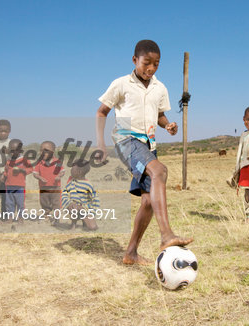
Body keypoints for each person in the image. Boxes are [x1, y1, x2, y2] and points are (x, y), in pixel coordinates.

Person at [96, 39, 193, 265]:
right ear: (134, 60)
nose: (151, 68)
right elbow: (102, 112)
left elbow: (158, 114)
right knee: (159, 171)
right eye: (146, 63)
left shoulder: (160, 88)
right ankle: (167, 234)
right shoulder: (121, 84)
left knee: (148, 201)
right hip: (126, 139)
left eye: (156, 64)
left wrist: (167, 124)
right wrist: (101, 144)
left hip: (148, 144)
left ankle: (131, 253)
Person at [61, 159, 98, 231]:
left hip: (85, 209)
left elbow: (95, 200)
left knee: (93, 228)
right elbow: (64, 195)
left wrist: (91, 212)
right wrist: (69, 203)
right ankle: (73, 224)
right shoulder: (70, 183)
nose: (71, 170)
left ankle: (85, 222)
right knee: (74, 208)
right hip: (73, 207)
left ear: (79, 172)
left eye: (73, 169)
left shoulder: (88, 185)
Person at [2, 139, 32, 226]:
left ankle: (20, 218)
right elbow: (6, 170)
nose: (13, 152)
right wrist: (3, 176)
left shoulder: (24, 159)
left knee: (20, 203)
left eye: (16, 150)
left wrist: (22, 170)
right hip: (9, 185)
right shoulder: (8, 160)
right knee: (9, 203)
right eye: (11, 150)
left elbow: (30, 169)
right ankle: (10, 218)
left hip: (20, 186)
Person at [33, 141, 65, 223]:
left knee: (56, 203)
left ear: (52, 152)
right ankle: (46, 216)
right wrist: (40, 177)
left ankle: (57, 218)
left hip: (55, 187)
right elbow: (35, 174)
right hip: (44, 187)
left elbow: (62, 171)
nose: (43, 152)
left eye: (46, 150)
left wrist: (59, 176)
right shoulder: (39, 163)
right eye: (41, 150)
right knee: (44, 202)